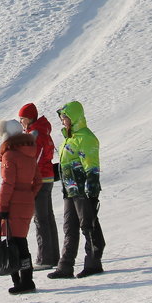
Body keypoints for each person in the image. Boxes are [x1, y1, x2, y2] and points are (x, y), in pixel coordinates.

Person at [47, 101, 105, 280]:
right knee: (69, 227)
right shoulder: (69, 139)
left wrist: (92, 192)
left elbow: (91, 166)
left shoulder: (85, 138)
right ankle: (65, 266)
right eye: (62, 118)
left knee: (87, 225)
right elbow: (67, 164)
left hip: (82, 191)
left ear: (74, 118)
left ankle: (93, 262)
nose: (63, 121)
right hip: (69, 190)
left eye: (65, 118)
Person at [0, 118, 40, 294]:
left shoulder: (10, 155)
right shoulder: (29, 152)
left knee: (14, 243)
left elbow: (7, 183)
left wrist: (2, 207)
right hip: (27, 201)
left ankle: (22, 281)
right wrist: (29, 194)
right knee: (21, 242)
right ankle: (26, 279)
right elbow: (38, 180)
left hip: (14, 203)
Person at [17, 104, 59, 270]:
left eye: (22, 118)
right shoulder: (39, 131)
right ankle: (53, 256)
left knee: (41, 219)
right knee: (47, 217)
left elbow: (35, 158)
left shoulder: (36, 133)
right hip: (46, 177)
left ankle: (46, 258)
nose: (21, 122)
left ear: (30, 118)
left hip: (39, 180)